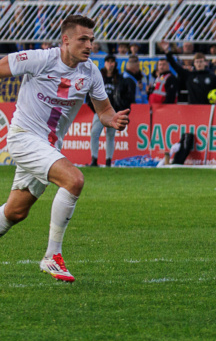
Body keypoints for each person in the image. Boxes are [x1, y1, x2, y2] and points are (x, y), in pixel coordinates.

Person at [0, 15, 130, 281]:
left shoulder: (90, 71)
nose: (89, 45)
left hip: (47, 145)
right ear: (66, 39)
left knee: (15, 212)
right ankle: (52, 256)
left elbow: (103, 110)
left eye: (92, 40)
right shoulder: (41, 59)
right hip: (24, 137)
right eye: (83, 39)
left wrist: (112, 119)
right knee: (74, 180)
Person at [89, 54, 129, 167]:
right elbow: (89, 93)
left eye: (112, 62)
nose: (110, 64)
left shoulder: (120, 78)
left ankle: (108, 161)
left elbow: (124, 95)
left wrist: (119, 109)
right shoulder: (99, 76)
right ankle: (94, 159)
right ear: (105, 63)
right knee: (94, 133)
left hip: (114, 112)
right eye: (108, 62)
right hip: (100, 110)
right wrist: (96, 109)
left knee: (110, 136)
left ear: (115, 64)